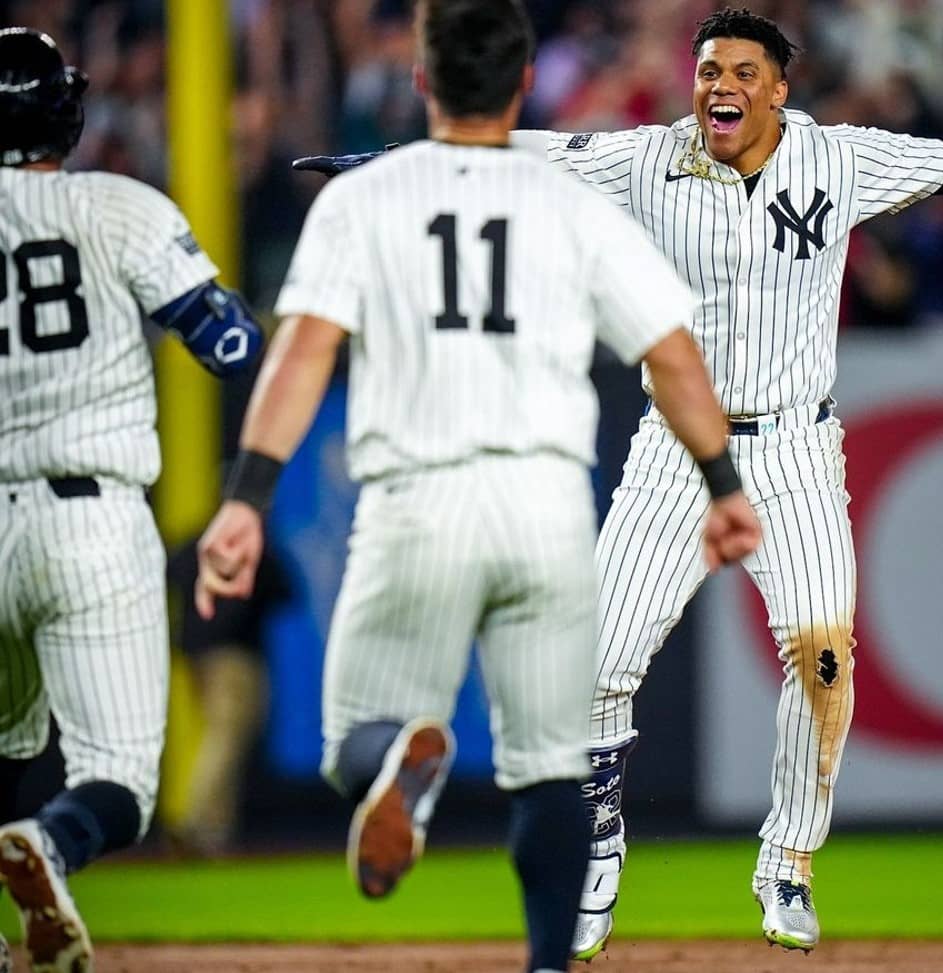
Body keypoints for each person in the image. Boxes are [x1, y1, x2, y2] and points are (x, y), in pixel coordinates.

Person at [294, 6, 943, 957]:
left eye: (740, 71)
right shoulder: (652, 159)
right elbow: (520, 153)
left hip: (798, 450)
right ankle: (600, 840)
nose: (719, 86)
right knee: (599, 665)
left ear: (779, 86)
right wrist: (382, 166)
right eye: (707, 70)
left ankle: (789, 863)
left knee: (823, 655)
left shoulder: (840, 158)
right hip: (674, 452)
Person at [194, 2, 761, 972]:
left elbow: (301, 357)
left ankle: (400, 759)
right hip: (543, 505)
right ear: (524, 82)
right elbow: (671, 354)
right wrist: (723, 483)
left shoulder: (364, 198)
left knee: (349, 743)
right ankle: (548, 962)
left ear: (420, 79)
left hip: (415, 499)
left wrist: (247, 496)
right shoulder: (574, 204)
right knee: (551, 770)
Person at [0, 27, 263, 973]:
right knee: (116, 780)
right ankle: (53, 844)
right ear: (65, 112)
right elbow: (228, 346)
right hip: (92, 514)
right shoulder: (116, 206)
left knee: (3, 740)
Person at [164, 537, 291, 857]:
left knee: (221, 738)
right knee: (225, 739)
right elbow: (285, 590)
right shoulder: (253, 543)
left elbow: (166, 573)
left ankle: (213, 835)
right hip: (235, 655)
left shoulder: (197, 539)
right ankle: (193, 822)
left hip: (198, 657)